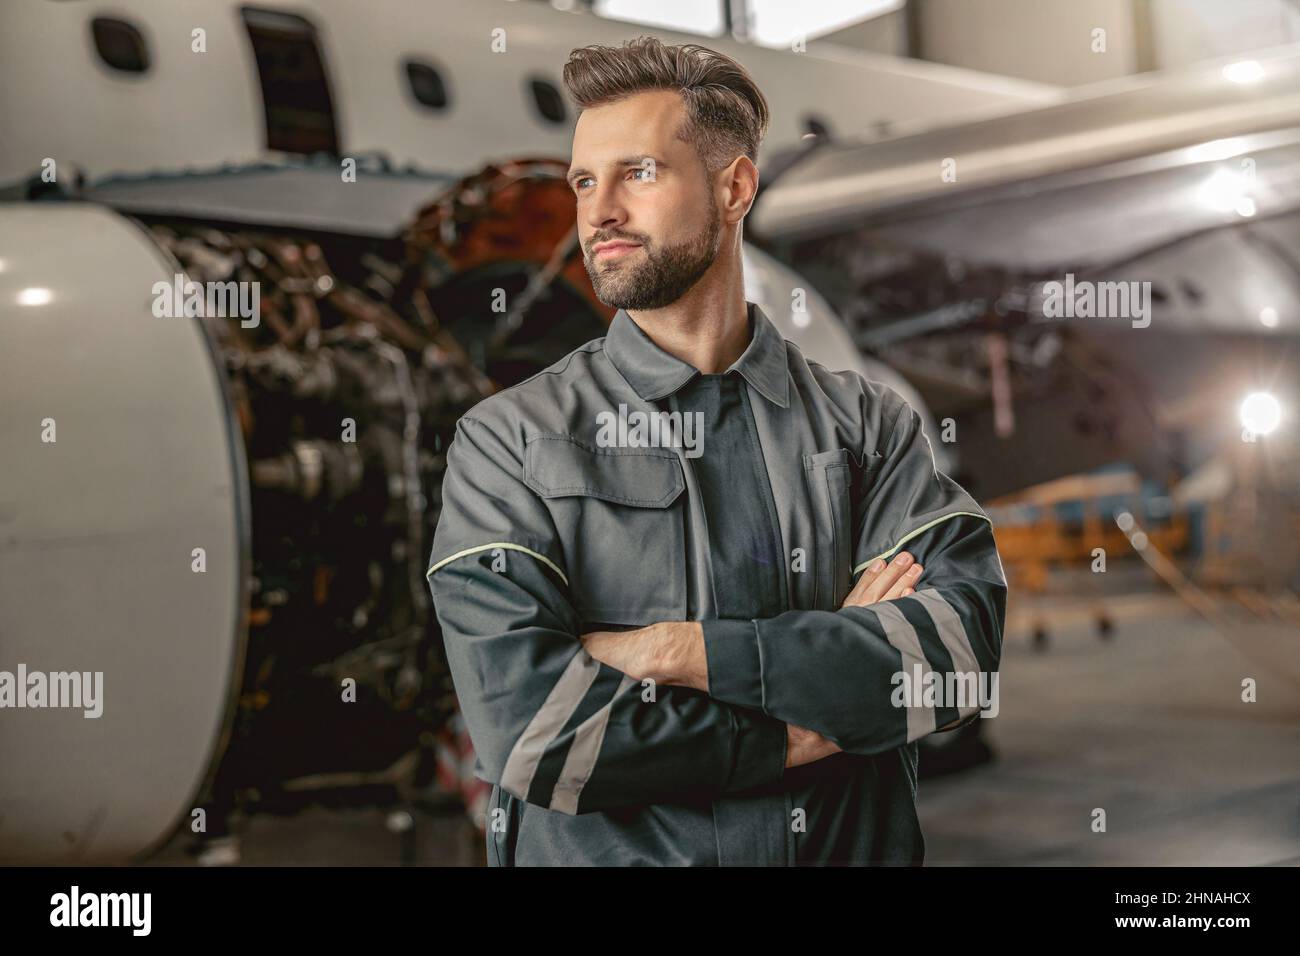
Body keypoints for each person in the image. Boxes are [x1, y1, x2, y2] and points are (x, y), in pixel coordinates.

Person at [426, 36, 1007, 866]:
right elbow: (536, 734)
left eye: (638, 173)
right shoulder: (506, 442)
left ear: (734, 187)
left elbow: (954, 665)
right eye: (585, 182)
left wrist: (678, 653)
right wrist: (809, 717)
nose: (598, 212)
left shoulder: (870, 428)